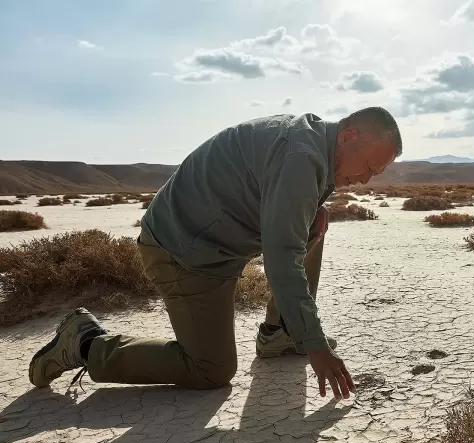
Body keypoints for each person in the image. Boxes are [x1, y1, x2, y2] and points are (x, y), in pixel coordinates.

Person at [29, 107, 402, 399]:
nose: (368, 179)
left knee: (310, 227)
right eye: (370, 167)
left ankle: (280, 333)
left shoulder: (315, 139)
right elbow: (281, 258)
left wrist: (315, 206)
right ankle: (84, 343)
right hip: (183, 251)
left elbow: (285, 199)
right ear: (349, 135)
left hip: (219, 242)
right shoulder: (300, 155)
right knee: (210, 370)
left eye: (379, 172)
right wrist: (316, 346)